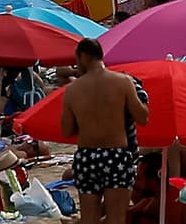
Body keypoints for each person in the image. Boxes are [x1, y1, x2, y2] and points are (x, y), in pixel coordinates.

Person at [61, 38, 150, 224]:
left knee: (89, 219)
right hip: (116, 155)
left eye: (76, 61)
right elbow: (142, 118)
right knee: (116, 218)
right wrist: (140, 97)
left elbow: (67, 130)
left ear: (83, 56)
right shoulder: (123, 82)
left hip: (86, 156)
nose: (76, 66)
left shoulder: (72, 90)